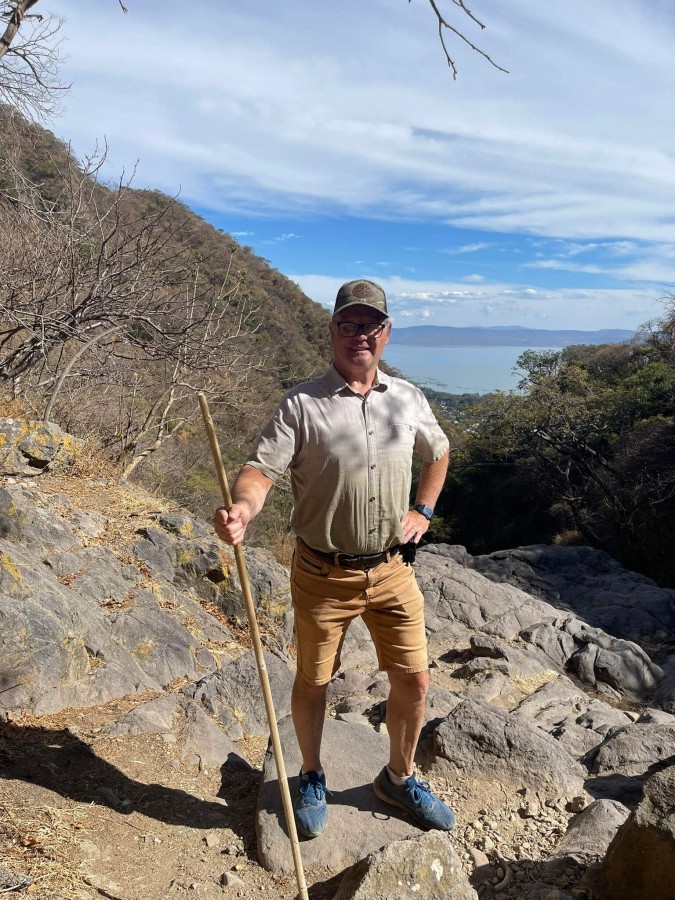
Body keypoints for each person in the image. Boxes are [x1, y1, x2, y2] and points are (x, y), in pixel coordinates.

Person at [214, 279, 455, 838]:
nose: (360, 336)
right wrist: (243, 510)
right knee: (313, 682)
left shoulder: (407, 397)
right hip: (322, 573)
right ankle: (312, 773)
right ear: (332, 331)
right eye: (349, 325)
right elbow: (259, 471)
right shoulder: (302, 404)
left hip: (394, 569)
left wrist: (423, 509)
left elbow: (439, 452)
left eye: (371, 325)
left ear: (387, 333)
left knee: (415, 681)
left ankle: (398, 777)